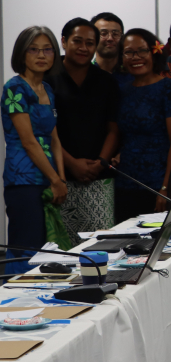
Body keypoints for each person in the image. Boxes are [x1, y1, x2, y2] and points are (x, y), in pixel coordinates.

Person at [2, 26, 66, 273]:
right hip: (24, 180)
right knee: (26, 249)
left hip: (50, 178)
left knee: (47, 249)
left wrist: (60, 178)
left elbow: (55, 139)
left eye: (47, 49)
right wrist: (54, 178)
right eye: (34, 49)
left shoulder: (48, 89)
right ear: (22, 53)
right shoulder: (15, 88)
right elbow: (29, 142)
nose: (42, 55)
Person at [48, 18, 119, 233]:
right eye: (77, 41)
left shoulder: (106, 81)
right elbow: (44, 131)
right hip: (57, 177)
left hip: (98, 179)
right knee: (60, 249)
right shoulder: (48, 77)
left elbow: (114, 129)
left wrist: (101, 162)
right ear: (63, 41)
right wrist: (70, 163)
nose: (83, 48)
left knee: (100, 247)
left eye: (89, 43)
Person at [115, 28, 171, 220]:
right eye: (129, 52)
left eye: (142, 51)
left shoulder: (170, 89)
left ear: (154, 53)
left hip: (157, 184)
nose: (135, 57)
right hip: (125, 183)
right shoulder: (122, 91)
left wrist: (165, 187)